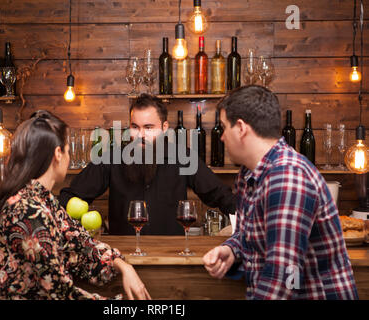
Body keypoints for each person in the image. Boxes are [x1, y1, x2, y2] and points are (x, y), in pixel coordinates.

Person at [203, 85, 359, 300]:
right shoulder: (248, 175)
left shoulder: (287, 177)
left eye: (223, 127)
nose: (221, 138)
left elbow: (285, 277)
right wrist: (232, 250)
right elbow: (256, 233)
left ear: (240, 128)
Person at [0, 110, 151, 300]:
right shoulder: (27, 209)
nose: (69, 157)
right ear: (58, 154)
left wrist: (121, 264)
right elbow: (57, 291)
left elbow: (79, 240)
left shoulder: (43, 199)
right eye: (68, 150)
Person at [59, 94, 236, 235]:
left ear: (164, 127)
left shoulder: (183, 156)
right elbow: (71, 197)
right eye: (135, 127)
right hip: (122, 257)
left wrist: (247, 223)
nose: (140, 134)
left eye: (149, 127)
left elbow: (220, 195)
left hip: (171, 257)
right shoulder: (111, 158)